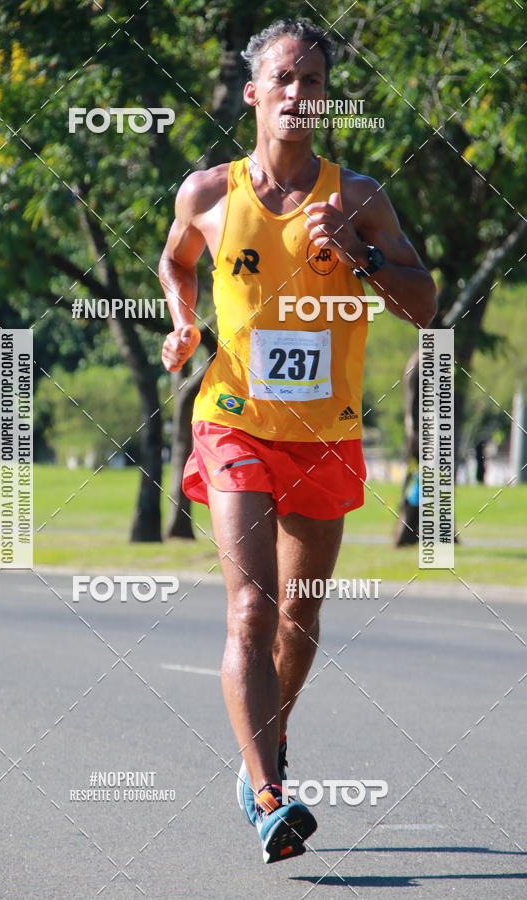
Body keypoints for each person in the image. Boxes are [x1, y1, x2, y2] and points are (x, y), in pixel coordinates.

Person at [159, 17, 436, 863]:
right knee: (250, 607)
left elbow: (423, 305)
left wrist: (359, 255)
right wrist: (182, 325)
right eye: (283, 78)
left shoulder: (358, 199)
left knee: (299, 618)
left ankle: (261, 756)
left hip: (325, 435)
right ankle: (272, 798)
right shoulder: (207, 193)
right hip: (235, 419)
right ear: (253, 93)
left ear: (326, 97)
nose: (297, 93)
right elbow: (176, 263)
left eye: (312, 81)